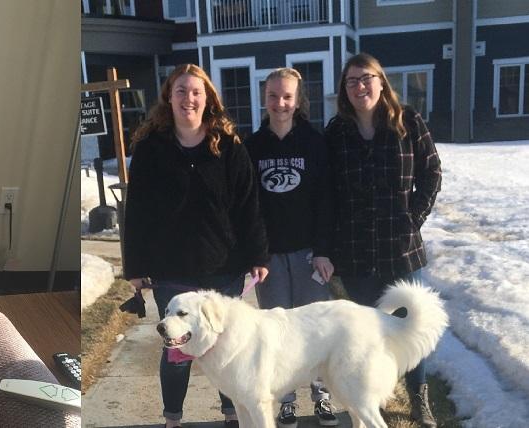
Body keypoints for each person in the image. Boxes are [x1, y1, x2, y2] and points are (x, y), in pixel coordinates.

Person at [123, 63, 269, 428]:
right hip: (170, 269)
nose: (188, 98)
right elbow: (136, 211)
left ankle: (232, 414)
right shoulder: (150, 148)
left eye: (196, 92)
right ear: (169, 98)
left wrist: (257, 254)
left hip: (224, 267)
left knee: (226, 346)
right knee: (177, 350)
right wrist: (136, 267)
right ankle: (173, 419)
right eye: (181, 91)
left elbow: (248, 204)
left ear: (208, 99)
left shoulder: (229, 145)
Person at [324, 53, 442, 428]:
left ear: (381, 81)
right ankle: (371, 399)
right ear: (344, 89)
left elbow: (432, 171)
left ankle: (418, 397)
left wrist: (414, 217)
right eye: (352, 81)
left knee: (410, 326)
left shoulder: (408, 121)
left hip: (400, 247)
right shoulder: (336, 132)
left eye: (366, 78)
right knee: (368, 334)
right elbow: (326, 192)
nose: (360, 86)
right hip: (355, 251)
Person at [244, 67, 338, 428]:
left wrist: (324, 250)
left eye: (287, 96)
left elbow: (326, 201)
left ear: (298, 101)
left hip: (308, 254)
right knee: (277, 332)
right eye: (273, 96)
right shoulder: (253, 146)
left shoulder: (314, 142)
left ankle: (322, 395)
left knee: (315, 329)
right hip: (269, 259)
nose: (280, 103)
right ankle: (285, 399)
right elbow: (249, 205)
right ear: (264, 98)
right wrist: (256, 254)